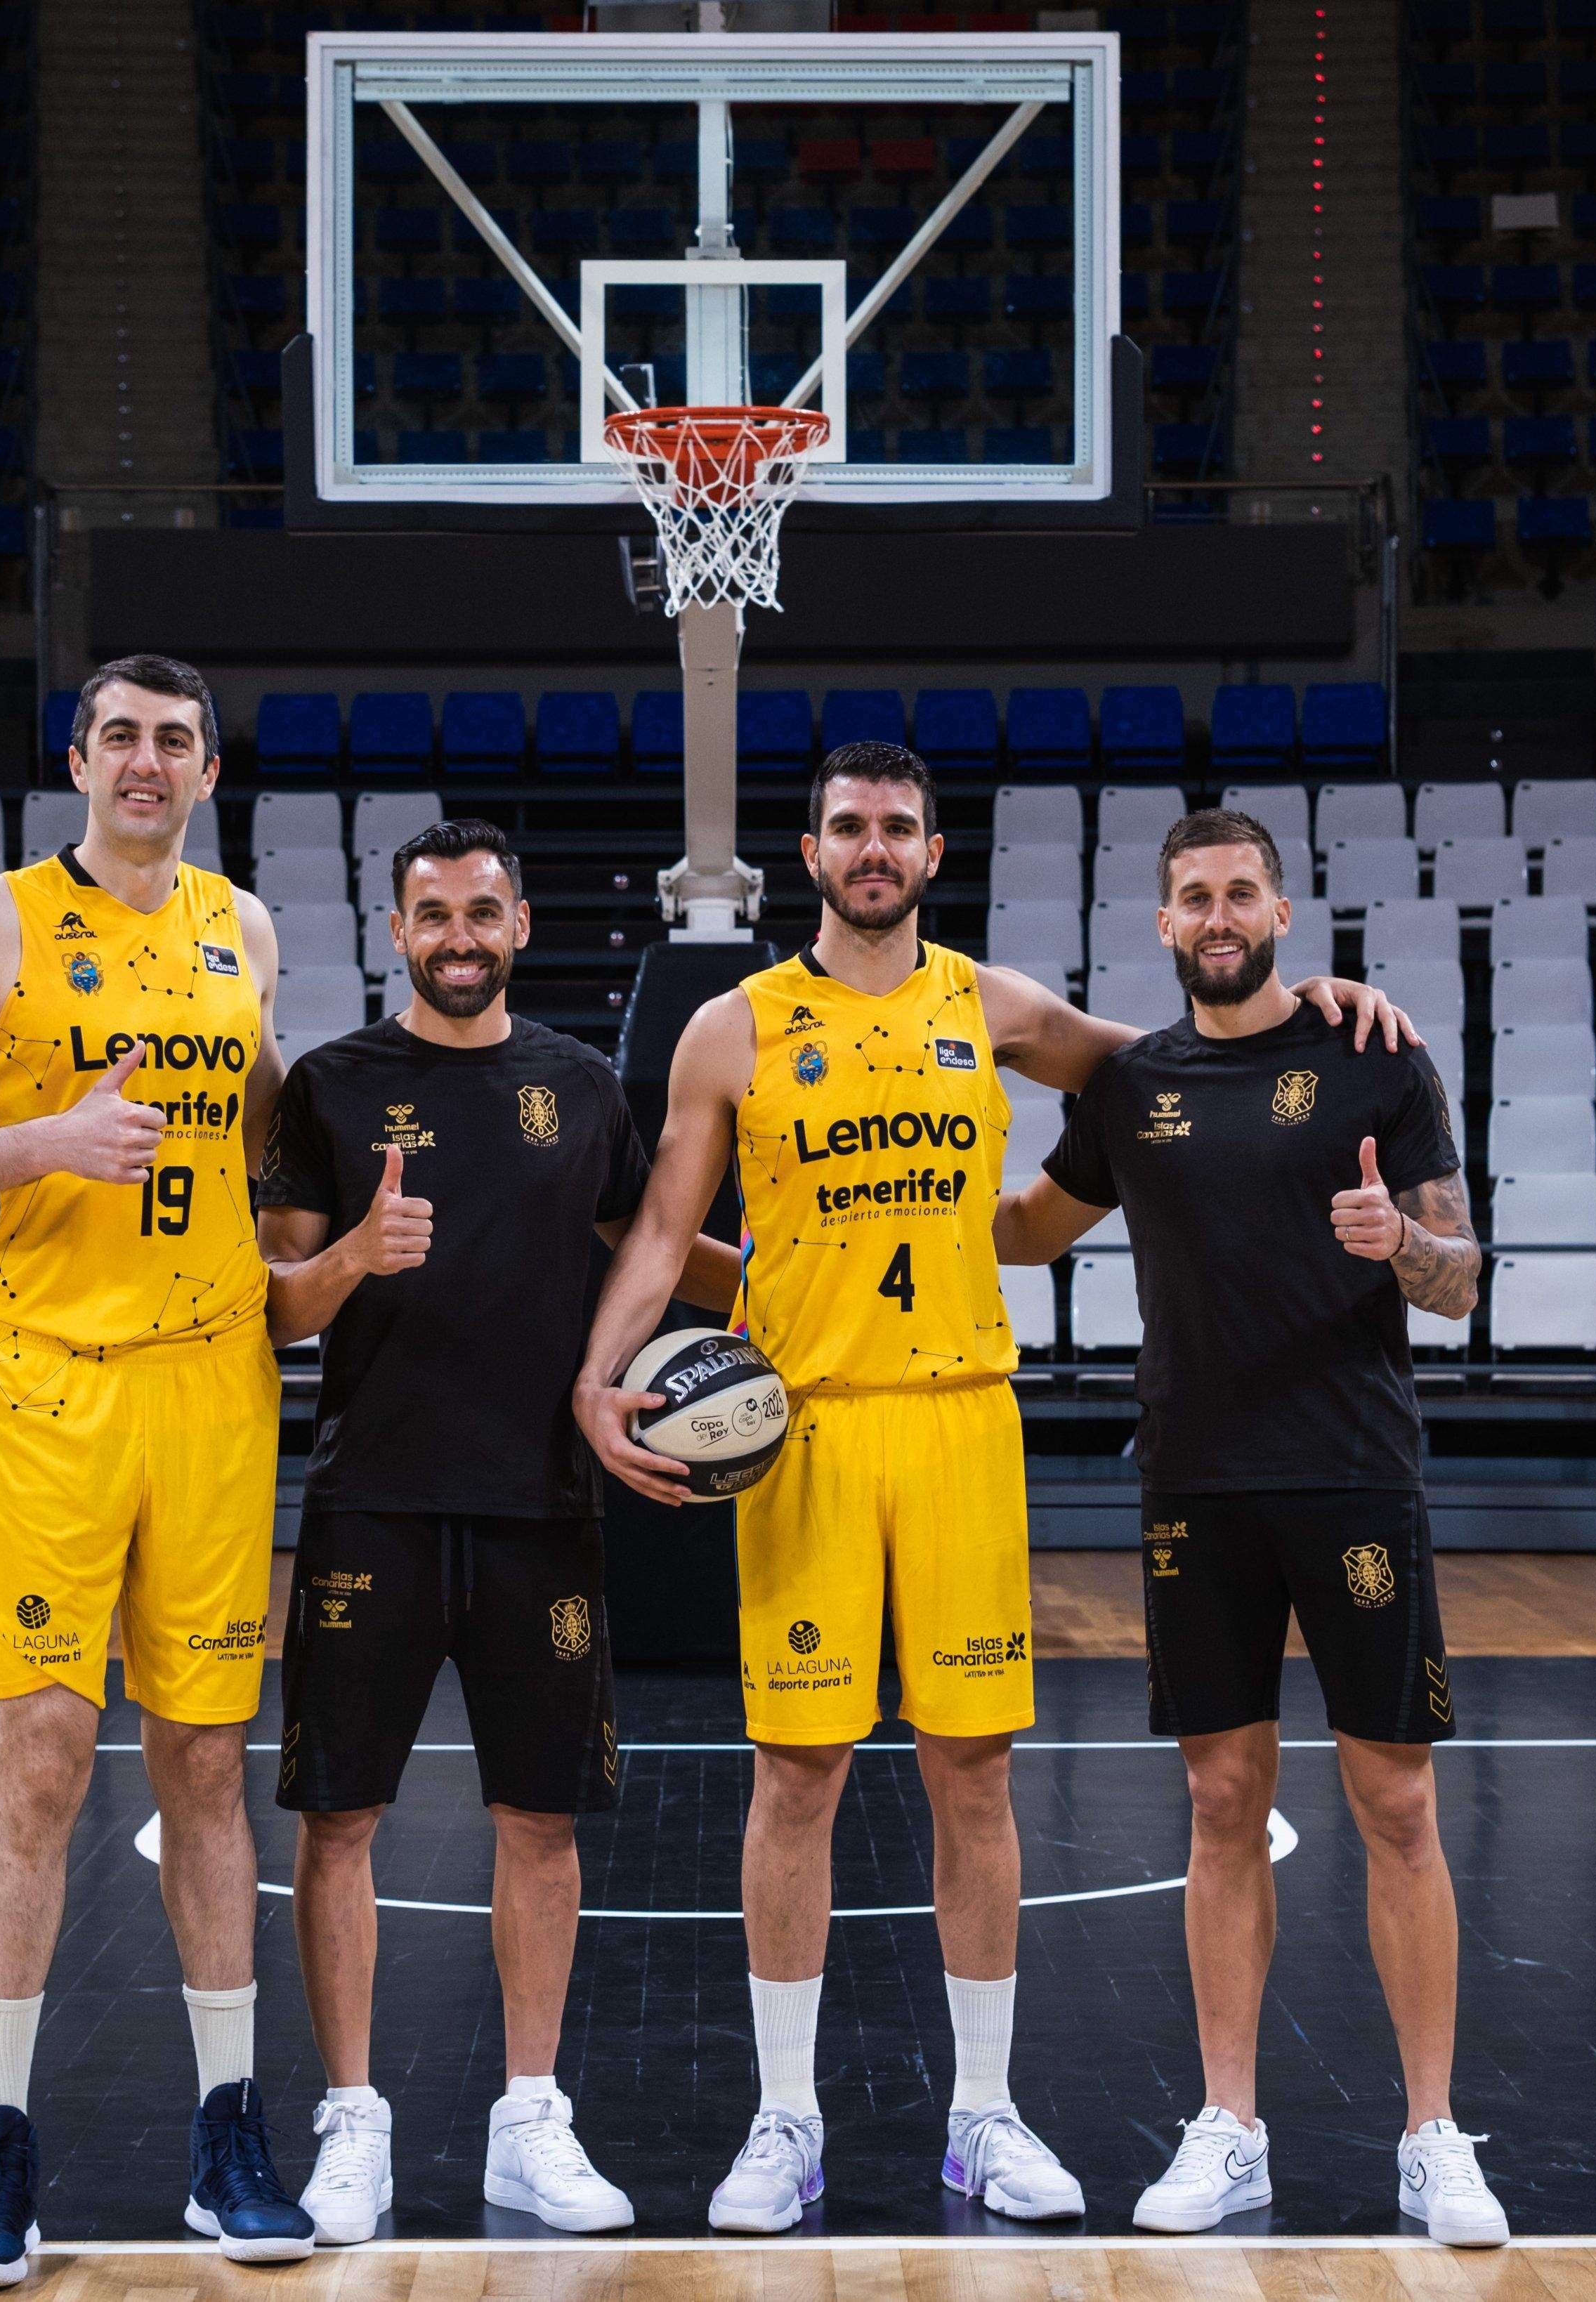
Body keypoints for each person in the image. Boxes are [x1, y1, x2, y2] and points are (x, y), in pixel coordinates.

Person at [570, 745, 1415, 2235]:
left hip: (962, 1423)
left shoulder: (996, 1005)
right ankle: (786, 2118)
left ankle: (983, 2112)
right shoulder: (734, 1026)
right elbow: (657, 1226)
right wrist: (598, 1372)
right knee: (795, 1776)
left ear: (933, 850)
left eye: (896, 826)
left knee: (973, 1772)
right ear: (811, 852)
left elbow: (1182, 1054)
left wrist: (1334, 1015)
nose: (872, 847)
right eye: (847, 826)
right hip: (809, 1434)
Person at [990, 806, 1507, 2248]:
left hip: (1349, 1473)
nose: (1216, 916)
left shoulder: (1373, 1054)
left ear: (1281, 909)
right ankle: (1228, 2127)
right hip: (1193, 1485)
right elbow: (1035, 1223)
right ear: (1161, 926)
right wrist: (881, 1212)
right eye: (1191, 898)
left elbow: (1461, 1279)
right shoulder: (1134, 1082)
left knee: (1395, 1804)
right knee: (1220, 1804)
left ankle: (1430, 2134)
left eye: (1238, 892)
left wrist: (1397, 1245)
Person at [0, 653, 315, 2288]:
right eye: (118, 734)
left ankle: (229, 2130)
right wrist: (39, 1144)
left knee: (206, 1766)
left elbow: (272, 1149)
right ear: (76, 759)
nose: (146, 760)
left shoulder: (240, 931)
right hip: (53, 1390)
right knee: (40, 1761)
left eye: (174, 739)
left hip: (214, 1392)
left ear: (206, 769)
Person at [253, 820, 743, 2242]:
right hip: (371, 1503)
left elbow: (650, 1244)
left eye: (480, 912)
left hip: (541, 1502)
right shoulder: (332, 1090)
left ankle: (530, 2117)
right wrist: (353, 1255)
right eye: (430, 914)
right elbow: (276, 1303)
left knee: (540, 1821)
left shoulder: (580, 1085)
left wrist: (804, 1281)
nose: (456, 935)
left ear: (519, 923)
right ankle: (352, 2118)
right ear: (395, 928)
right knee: (338, 1819)